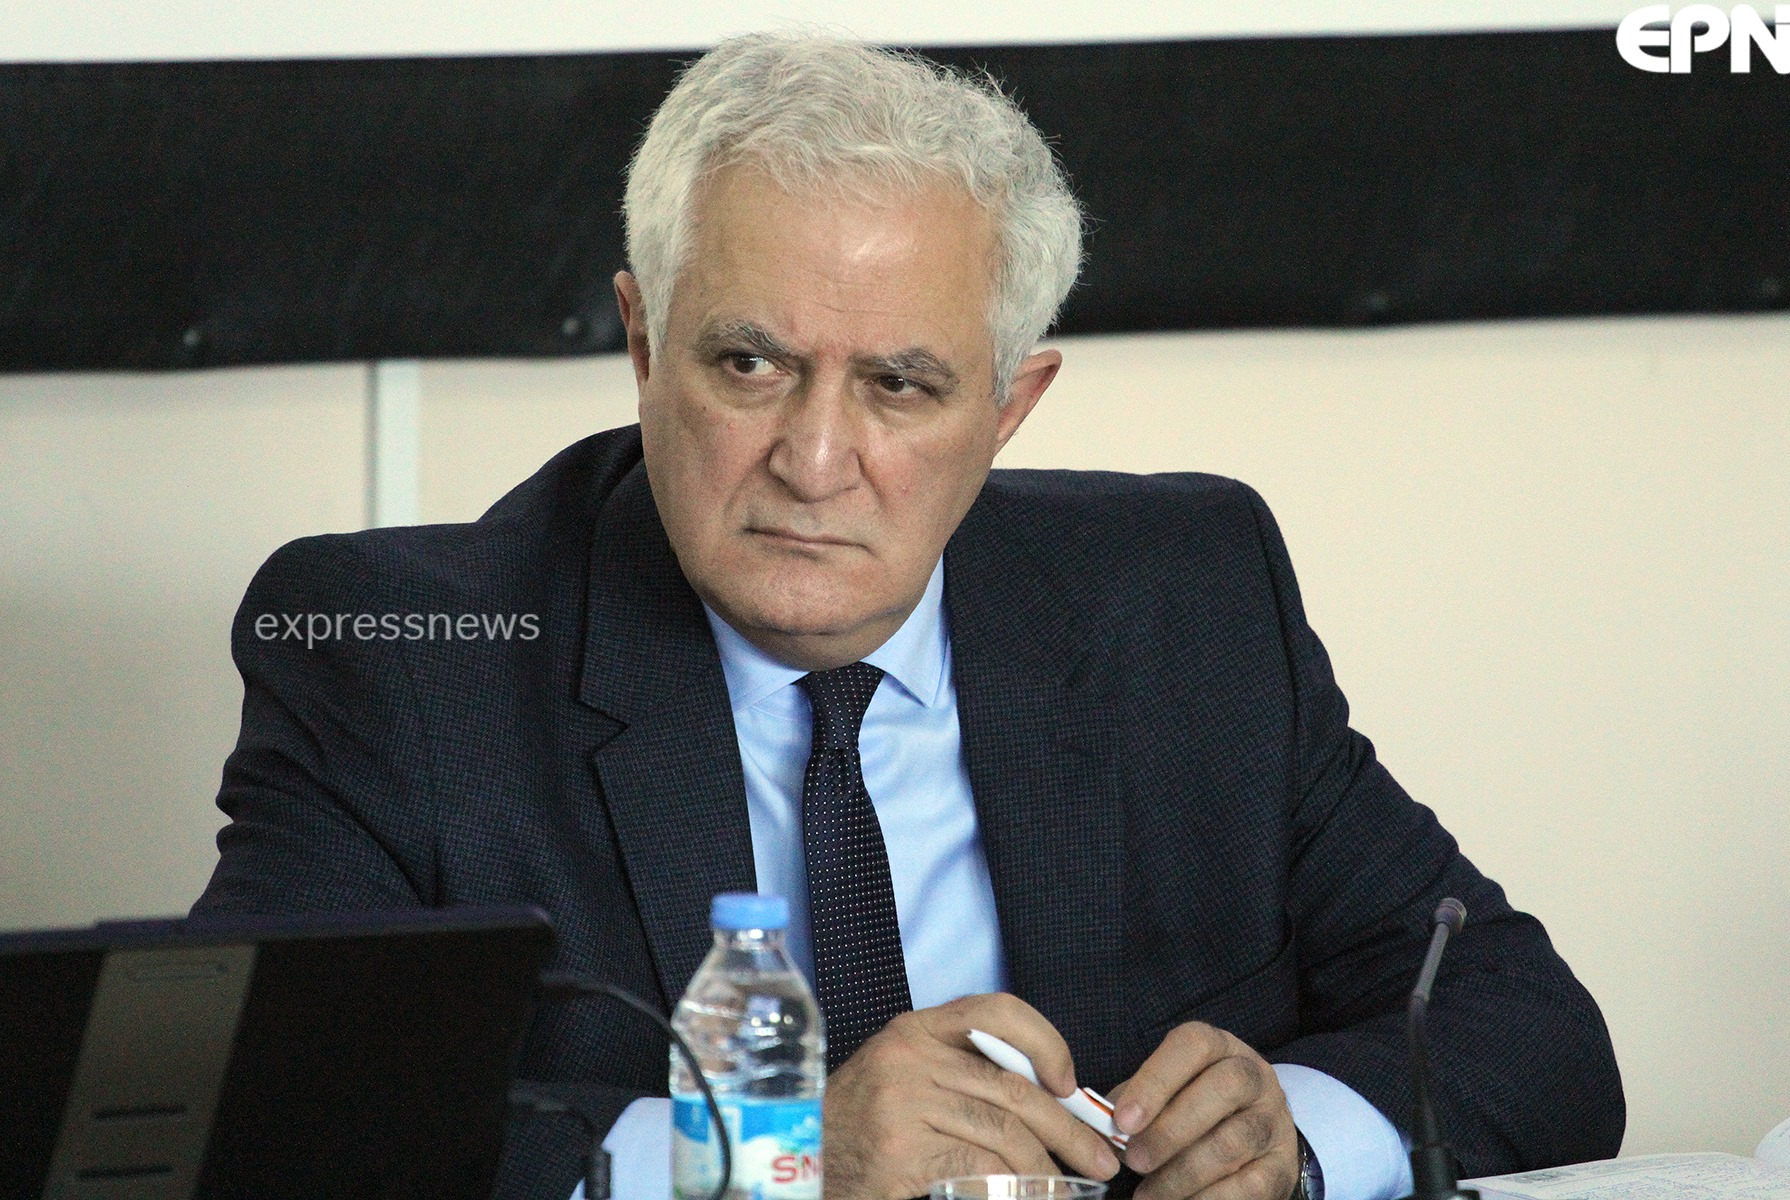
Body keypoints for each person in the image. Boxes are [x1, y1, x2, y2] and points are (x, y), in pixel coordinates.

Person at [194, 33, 1626, 1200]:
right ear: (641, 343)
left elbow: (1526, 1026)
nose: (816, 461)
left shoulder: (1187, 603)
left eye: (900, 385)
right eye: (749, 364)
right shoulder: (401, 657)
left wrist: (1292, 1138)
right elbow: (249, 1123)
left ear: (1010, 407)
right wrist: (768, 1163)